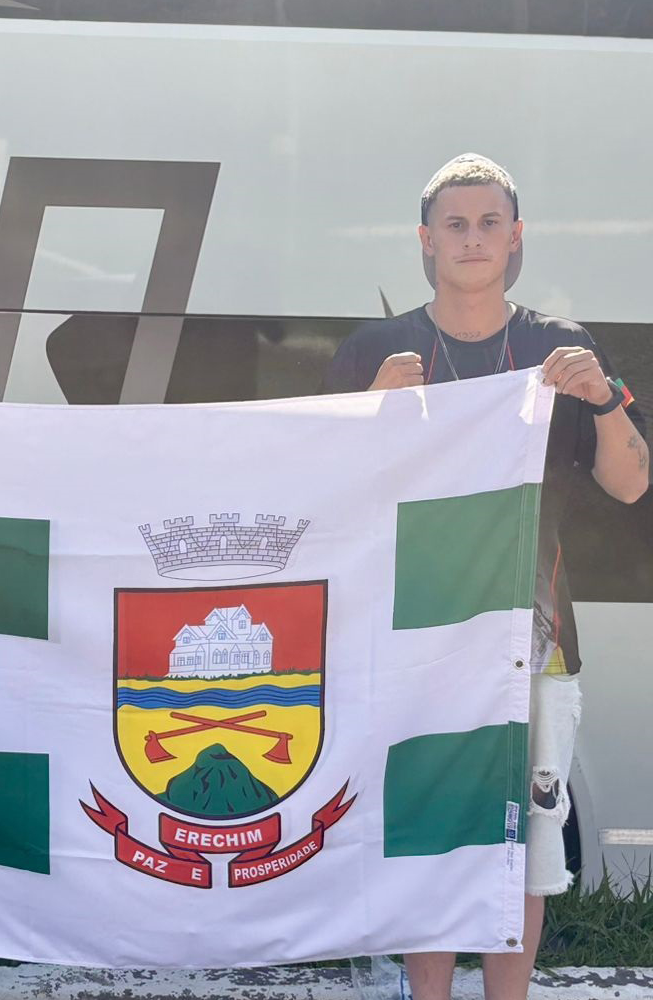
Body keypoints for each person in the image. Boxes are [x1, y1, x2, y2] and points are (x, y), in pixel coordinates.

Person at [323, 153, 648, 1000]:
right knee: (427, 835)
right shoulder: (374, 351)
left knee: (529, 849)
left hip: (534, 638)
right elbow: (323, 494)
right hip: (413, 633)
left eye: (489, 223)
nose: (473, 239)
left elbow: (631, 483)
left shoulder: (561, 347)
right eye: (456, 224)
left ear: (515, 237)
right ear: (426, 240)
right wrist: (368, 414)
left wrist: (605, 400)